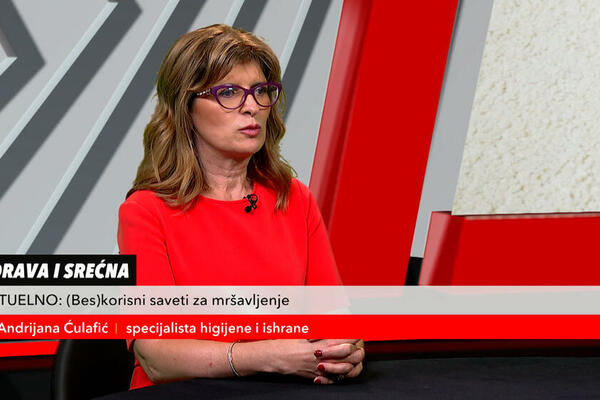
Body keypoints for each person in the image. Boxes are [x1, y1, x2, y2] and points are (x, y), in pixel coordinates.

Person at [117, 24, 364, 389]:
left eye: (261, 91)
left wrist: (345, 351)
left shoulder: (294, 198)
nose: (252, 107)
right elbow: (157, 357)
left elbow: (336, 321)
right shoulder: (145, 211)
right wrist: (269, 357)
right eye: (229, 92)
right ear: (186, 107)